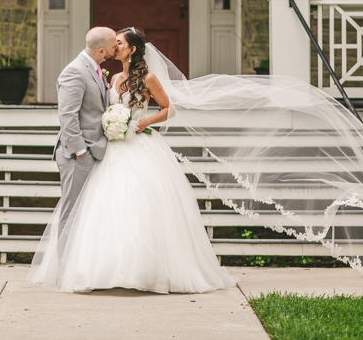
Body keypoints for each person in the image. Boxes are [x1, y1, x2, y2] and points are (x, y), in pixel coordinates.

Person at [29, 27, 237, 293]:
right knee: (104, 209)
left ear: (132, 49)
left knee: (140, 206)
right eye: (114, 43)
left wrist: (144, 122)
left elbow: (170, 107)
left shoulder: (148, 78)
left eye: (120, 43)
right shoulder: (112, 78)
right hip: (108, 149)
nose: (116, 47)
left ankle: (144, 271)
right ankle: (101, 269)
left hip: (139, 146)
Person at [52, 27, 117, 240]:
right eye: (113, 46)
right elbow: (67, 116)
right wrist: (80, 152)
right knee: (71, 213)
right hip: (77, 156)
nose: (116, 49)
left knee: (85, 214)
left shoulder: (95, 69)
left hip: (93, 151)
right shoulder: (75, 71)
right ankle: (62, 271)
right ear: (101, 51)